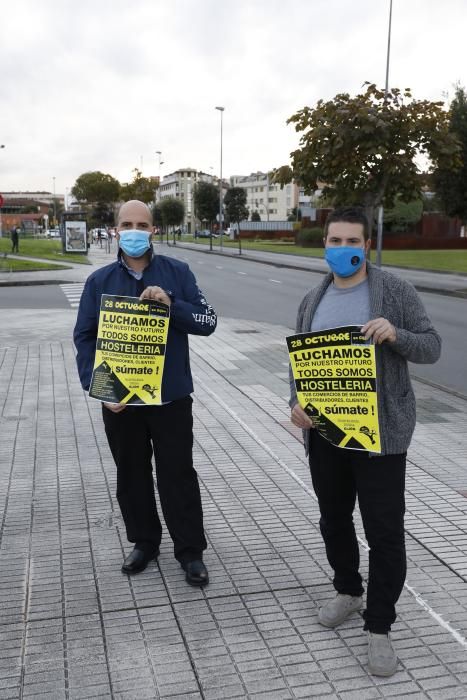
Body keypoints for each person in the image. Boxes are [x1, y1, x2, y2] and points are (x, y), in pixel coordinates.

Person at [289, 206, 441, 677]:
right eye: (334, 241)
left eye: (351, 242)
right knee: (334, 521)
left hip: (381, 438)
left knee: (384, 534)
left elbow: (432, 346)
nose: (342, 249)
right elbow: (302, 361)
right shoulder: (312, 299)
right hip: (327, 436)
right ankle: (348, 592)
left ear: (366, 246)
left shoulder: (394, 291)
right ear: (325, 245)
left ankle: (379, 627)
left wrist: (395, 334)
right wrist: (295, 404)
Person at [74, 199, 217, 587]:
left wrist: (173, 305)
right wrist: (98, 387)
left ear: (153, 230)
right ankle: (144, 542)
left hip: (170, 399)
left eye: (142, 224)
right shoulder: (99, 282)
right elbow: (85, 339)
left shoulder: (178, 272)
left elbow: (208, 322)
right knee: (131, 473)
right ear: (116, 229)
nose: (134, 230)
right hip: (121, 402)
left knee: (178, 474)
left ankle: (190, 552)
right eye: (127, 223)